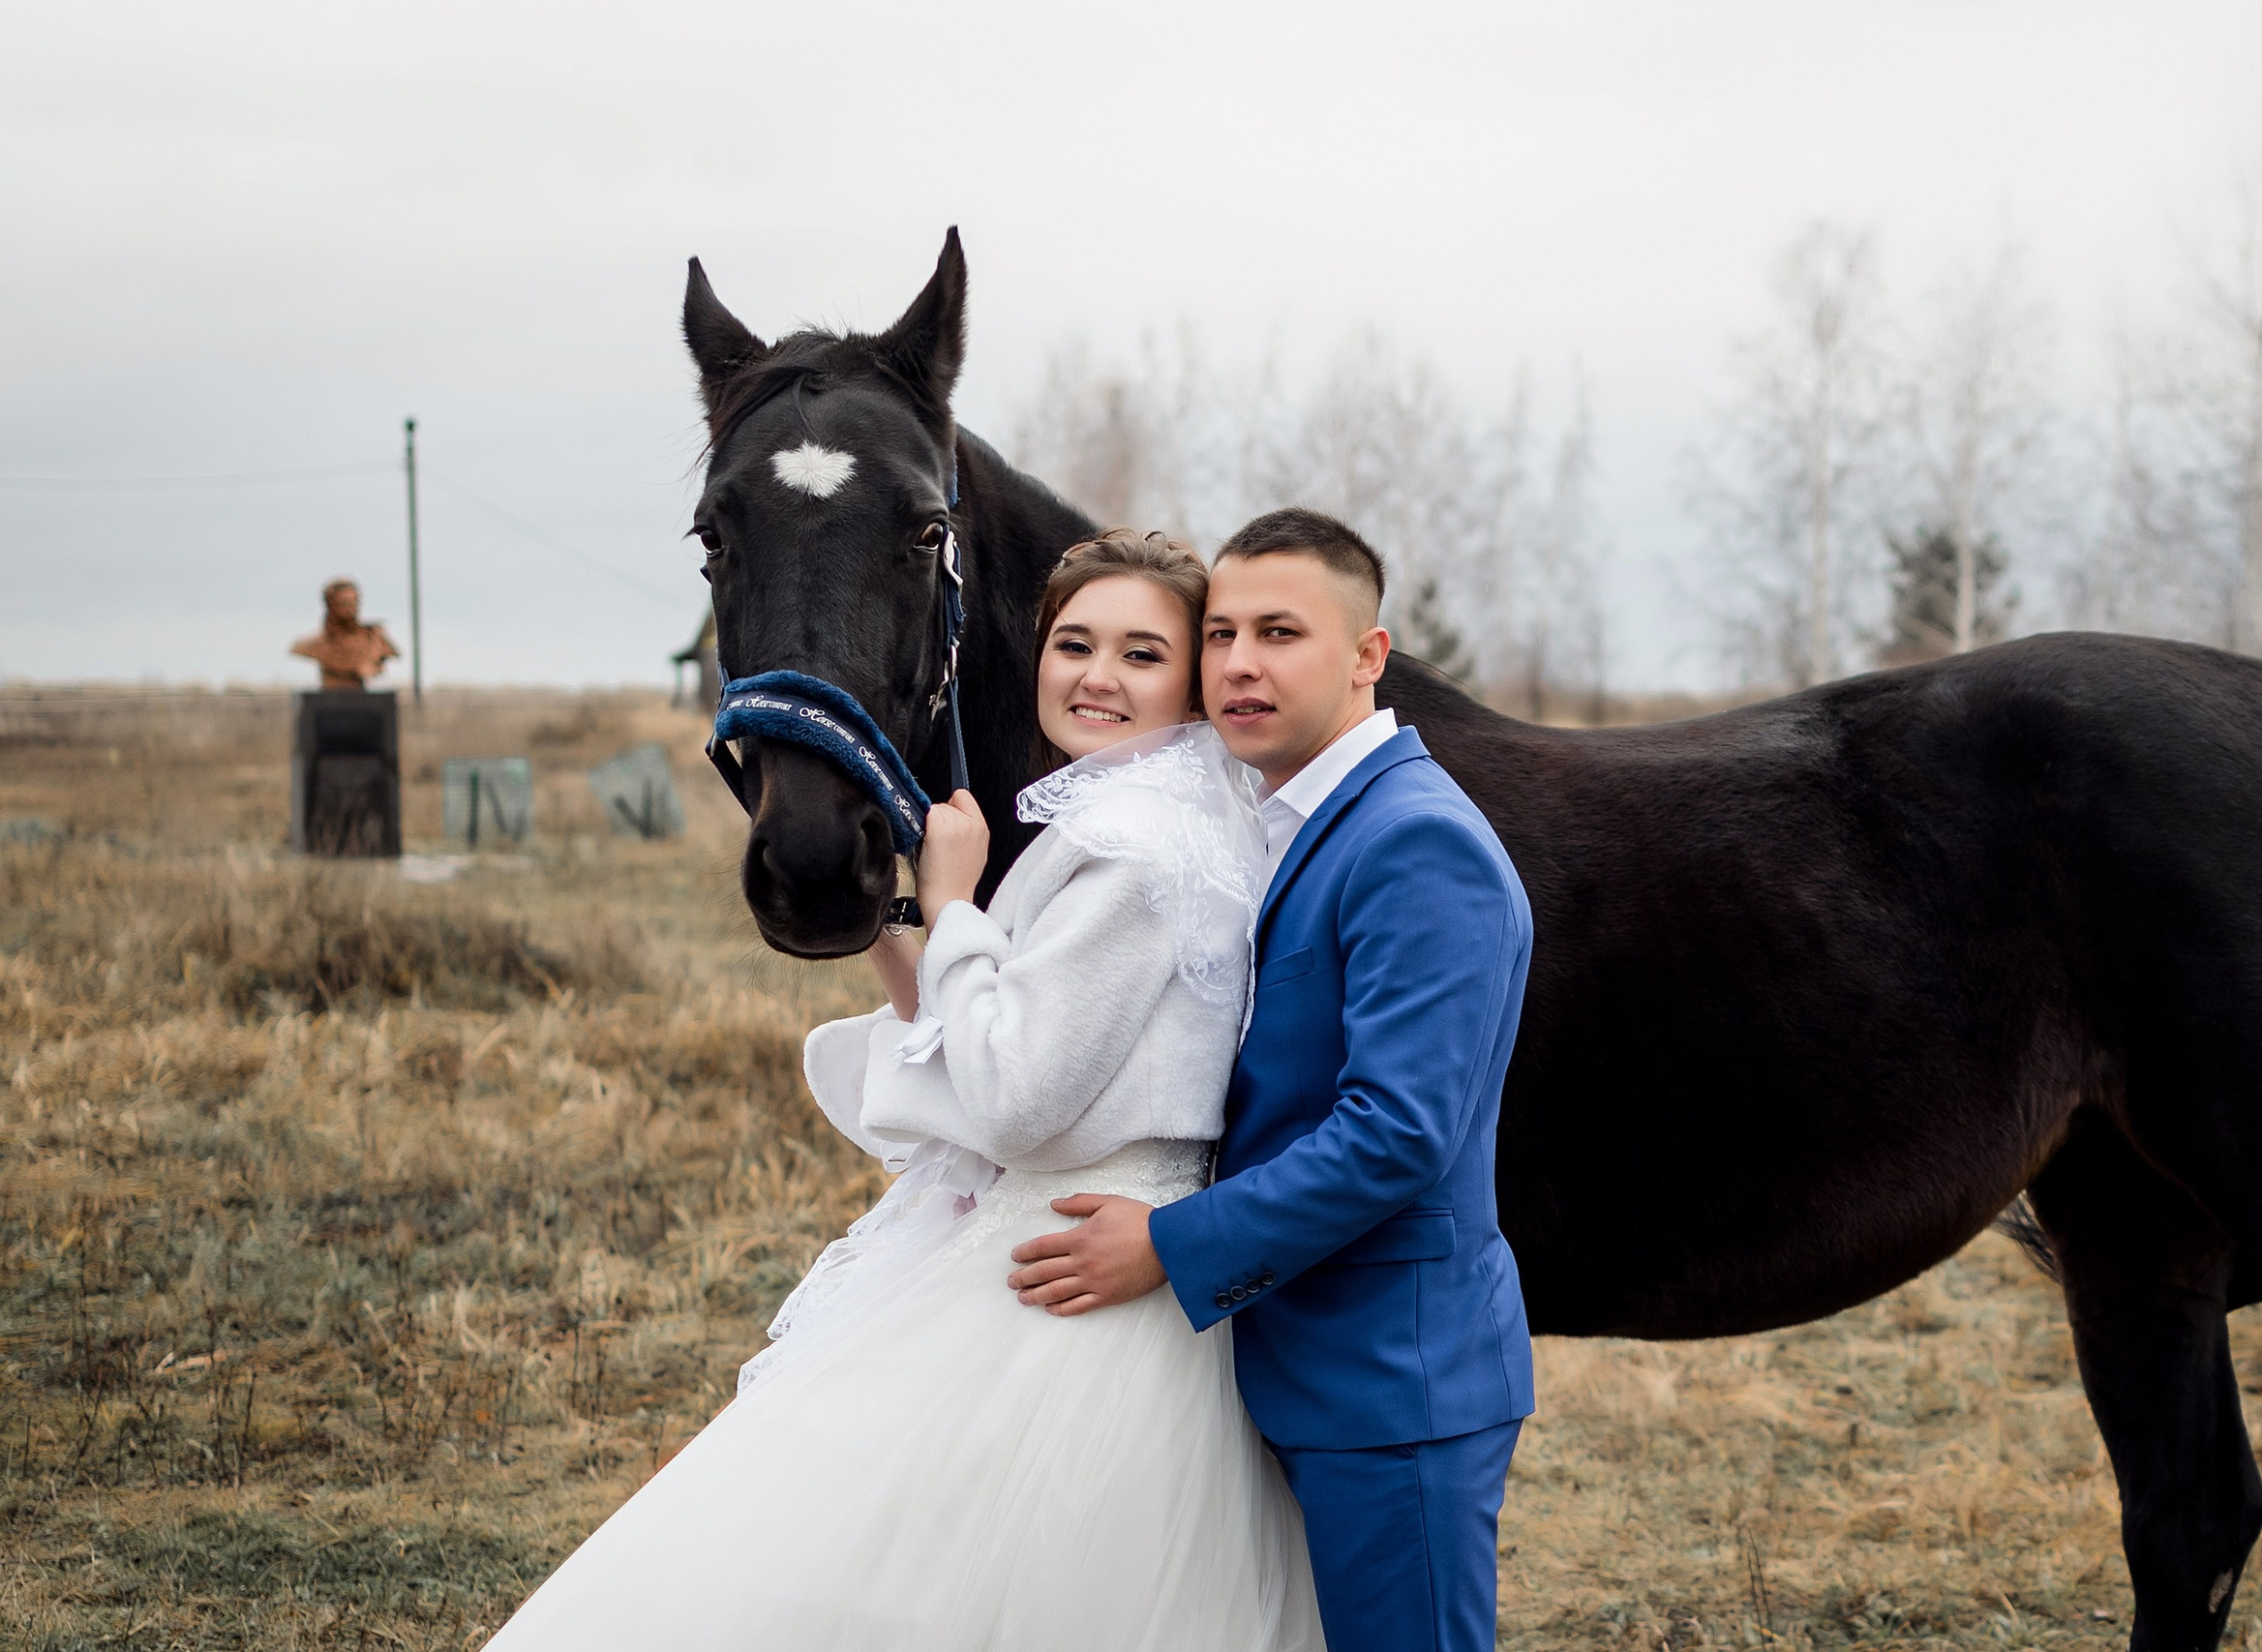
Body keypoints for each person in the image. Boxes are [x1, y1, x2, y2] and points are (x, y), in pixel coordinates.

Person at [484, 529, 1323, 1652]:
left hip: (1063, 1262)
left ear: (1190, 682)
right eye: (1072, 644)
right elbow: (1018, 1029)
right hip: (1101, 1245)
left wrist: (958, 902)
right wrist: (898, 919)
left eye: (1139, 654)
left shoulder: (1130, 849)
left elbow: (1017, 1095)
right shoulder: (1163, 820)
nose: (1096, 676)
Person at [1005, 508, 1537, 1652]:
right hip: (1299, 1361)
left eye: (1283, 632)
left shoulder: (1413, 841)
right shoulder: (1296, 820)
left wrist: (1169, 1242)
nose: (1242, 663)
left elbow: (1396, 1134)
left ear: (1366, 656)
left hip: (1394, 1382)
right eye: (1225, 633)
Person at [288, 579, 399, 690]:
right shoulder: (312, 644)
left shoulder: (373, 638)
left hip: (360, 699)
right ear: (331, 605)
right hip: (328, 697)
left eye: (355, 603)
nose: (351, 609)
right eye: (344, 604)